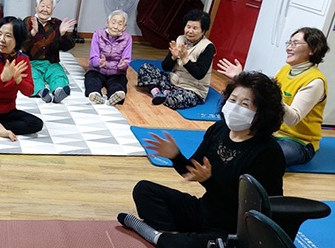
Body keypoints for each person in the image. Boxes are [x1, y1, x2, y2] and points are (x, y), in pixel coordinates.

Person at [118, 71, 285, 248]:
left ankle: (161, 237)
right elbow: (192, 171)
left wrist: (209, 181)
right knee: (144, 189)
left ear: (261, 112)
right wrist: (175, 156)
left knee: (206, 243)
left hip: (233, 228)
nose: (235, 107)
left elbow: (255, 207)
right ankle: (168, 237)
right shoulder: (219, 130)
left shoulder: (268, 152)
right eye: (232, 100)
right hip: (203, 210)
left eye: (245, 104)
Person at [217, 27, 330, 166]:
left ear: (313, 49)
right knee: (223, 133)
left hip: (297, 141)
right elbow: (263, 90)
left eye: (295, 44)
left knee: (262, 158)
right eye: (289, 43)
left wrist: (272, 96)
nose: (289, 47)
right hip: (270, 131)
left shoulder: (315, 81)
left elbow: (292, 119)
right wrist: (241, 78)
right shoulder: (285, 69)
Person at [136, 9, 215, 109]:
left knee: (173, 100)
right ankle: (157, 92)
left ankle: (166, 93)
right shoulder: (180, 39)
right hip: (173, 82)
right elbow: (165, 67)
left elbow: (199, 74)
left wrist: (185, 60)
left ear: (203, 31)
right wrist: (172, 57)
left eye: (195, 28)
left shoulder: (208, 47)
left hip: (192, 89)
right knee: (145, 67)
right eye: (188, 27)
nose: (190, 31)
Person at [22, 0, 77, 103]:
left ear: (52, 9)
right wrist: (33, 33)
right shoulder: (28, 21)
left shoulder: (57, 24)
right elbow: (22, 47)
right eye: (42, 5)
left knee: (58, 74)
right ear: (36, 6)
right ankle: (41, 92)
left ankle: (58, 91)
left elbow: (68, 46)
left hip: (51, 62)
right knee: (32, 76)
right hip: (32, 62)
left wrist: (61, 34)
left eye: (48, 7)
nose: (45, 9)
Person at [84, 10, 132, 106]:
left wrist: (124, 65)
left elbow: (126, 59)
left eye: (120, 24)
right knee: (92, 80)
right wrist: (98, 62)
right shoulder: (98, 34)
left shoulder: (128, 38)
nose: (115, 26)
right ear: (107, 23)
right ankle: (95, 94)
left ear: (124, 27)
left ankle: (115, 96)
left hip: (116, 71)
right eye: (113, 22)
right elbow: (93, 57)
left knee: (119, 84)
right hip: (98, 70)